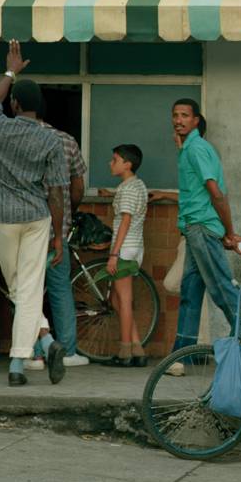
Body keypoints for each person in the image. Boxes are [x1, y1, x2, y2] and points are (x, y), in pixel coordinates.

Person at [0, 41, 69, 387]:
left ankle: (18, 364)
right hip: (38, 217)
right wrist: (59, 234)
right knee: (28, 288)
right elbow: (57, 191)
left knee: (19, 287)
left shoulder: (0, 127)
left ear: (15, 104)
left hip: (5, 218)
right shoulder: (52, 140)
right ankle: (47, 341)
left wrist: (10, 72)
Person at [172, 97, 241, 360]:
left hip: (203, 227)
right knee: (190, 294)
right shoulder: (190, 148)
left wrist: (229, 231)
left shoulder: (196, 148)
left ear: (196, 120)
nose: (178, 120)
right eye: (175, 115)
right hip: (195, 227)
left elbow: (215, 192)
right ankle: (179, 357)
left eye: (184, 116)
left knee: (223, 289)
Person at [35, 110, 91, 371]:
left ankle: (32, 354)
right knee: (60, 291)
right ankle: (67, 351)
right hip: (58, 230)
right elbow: (78, 186)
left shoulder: (16, 140)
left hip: (27, 228)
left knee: (27, 291)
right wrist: (69, 210)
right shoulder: (67, 140)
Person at [104, 143, 149, 367]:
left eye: (115, 159)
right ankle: (137, 348)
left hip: (125, 248)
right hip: (135, 247)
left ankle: (124, 352)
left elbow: (125, 220)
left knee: (122, 299)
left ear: (127, 164)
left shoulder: (128, 189)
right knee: (117, 299)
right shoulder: (136, 186)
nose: (110, 163)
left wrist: (114, 254)